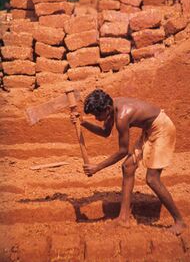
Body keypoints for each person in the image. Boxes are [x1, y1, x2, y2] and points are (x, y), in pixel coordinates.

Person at [71, 89, 186, 235]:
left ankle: (179, 221)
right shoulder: (112, 106)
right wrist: (82, 122)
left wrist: (97, 167)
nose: (96, 118)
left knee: (152, 179)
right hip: (149, 130)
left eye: (97, 115)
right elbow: (105, 132)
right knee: (128, 167)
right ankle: (123, 218)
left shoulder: (122, 117)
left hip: (162, 130)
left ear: (106, 109)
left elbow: (123, 151)